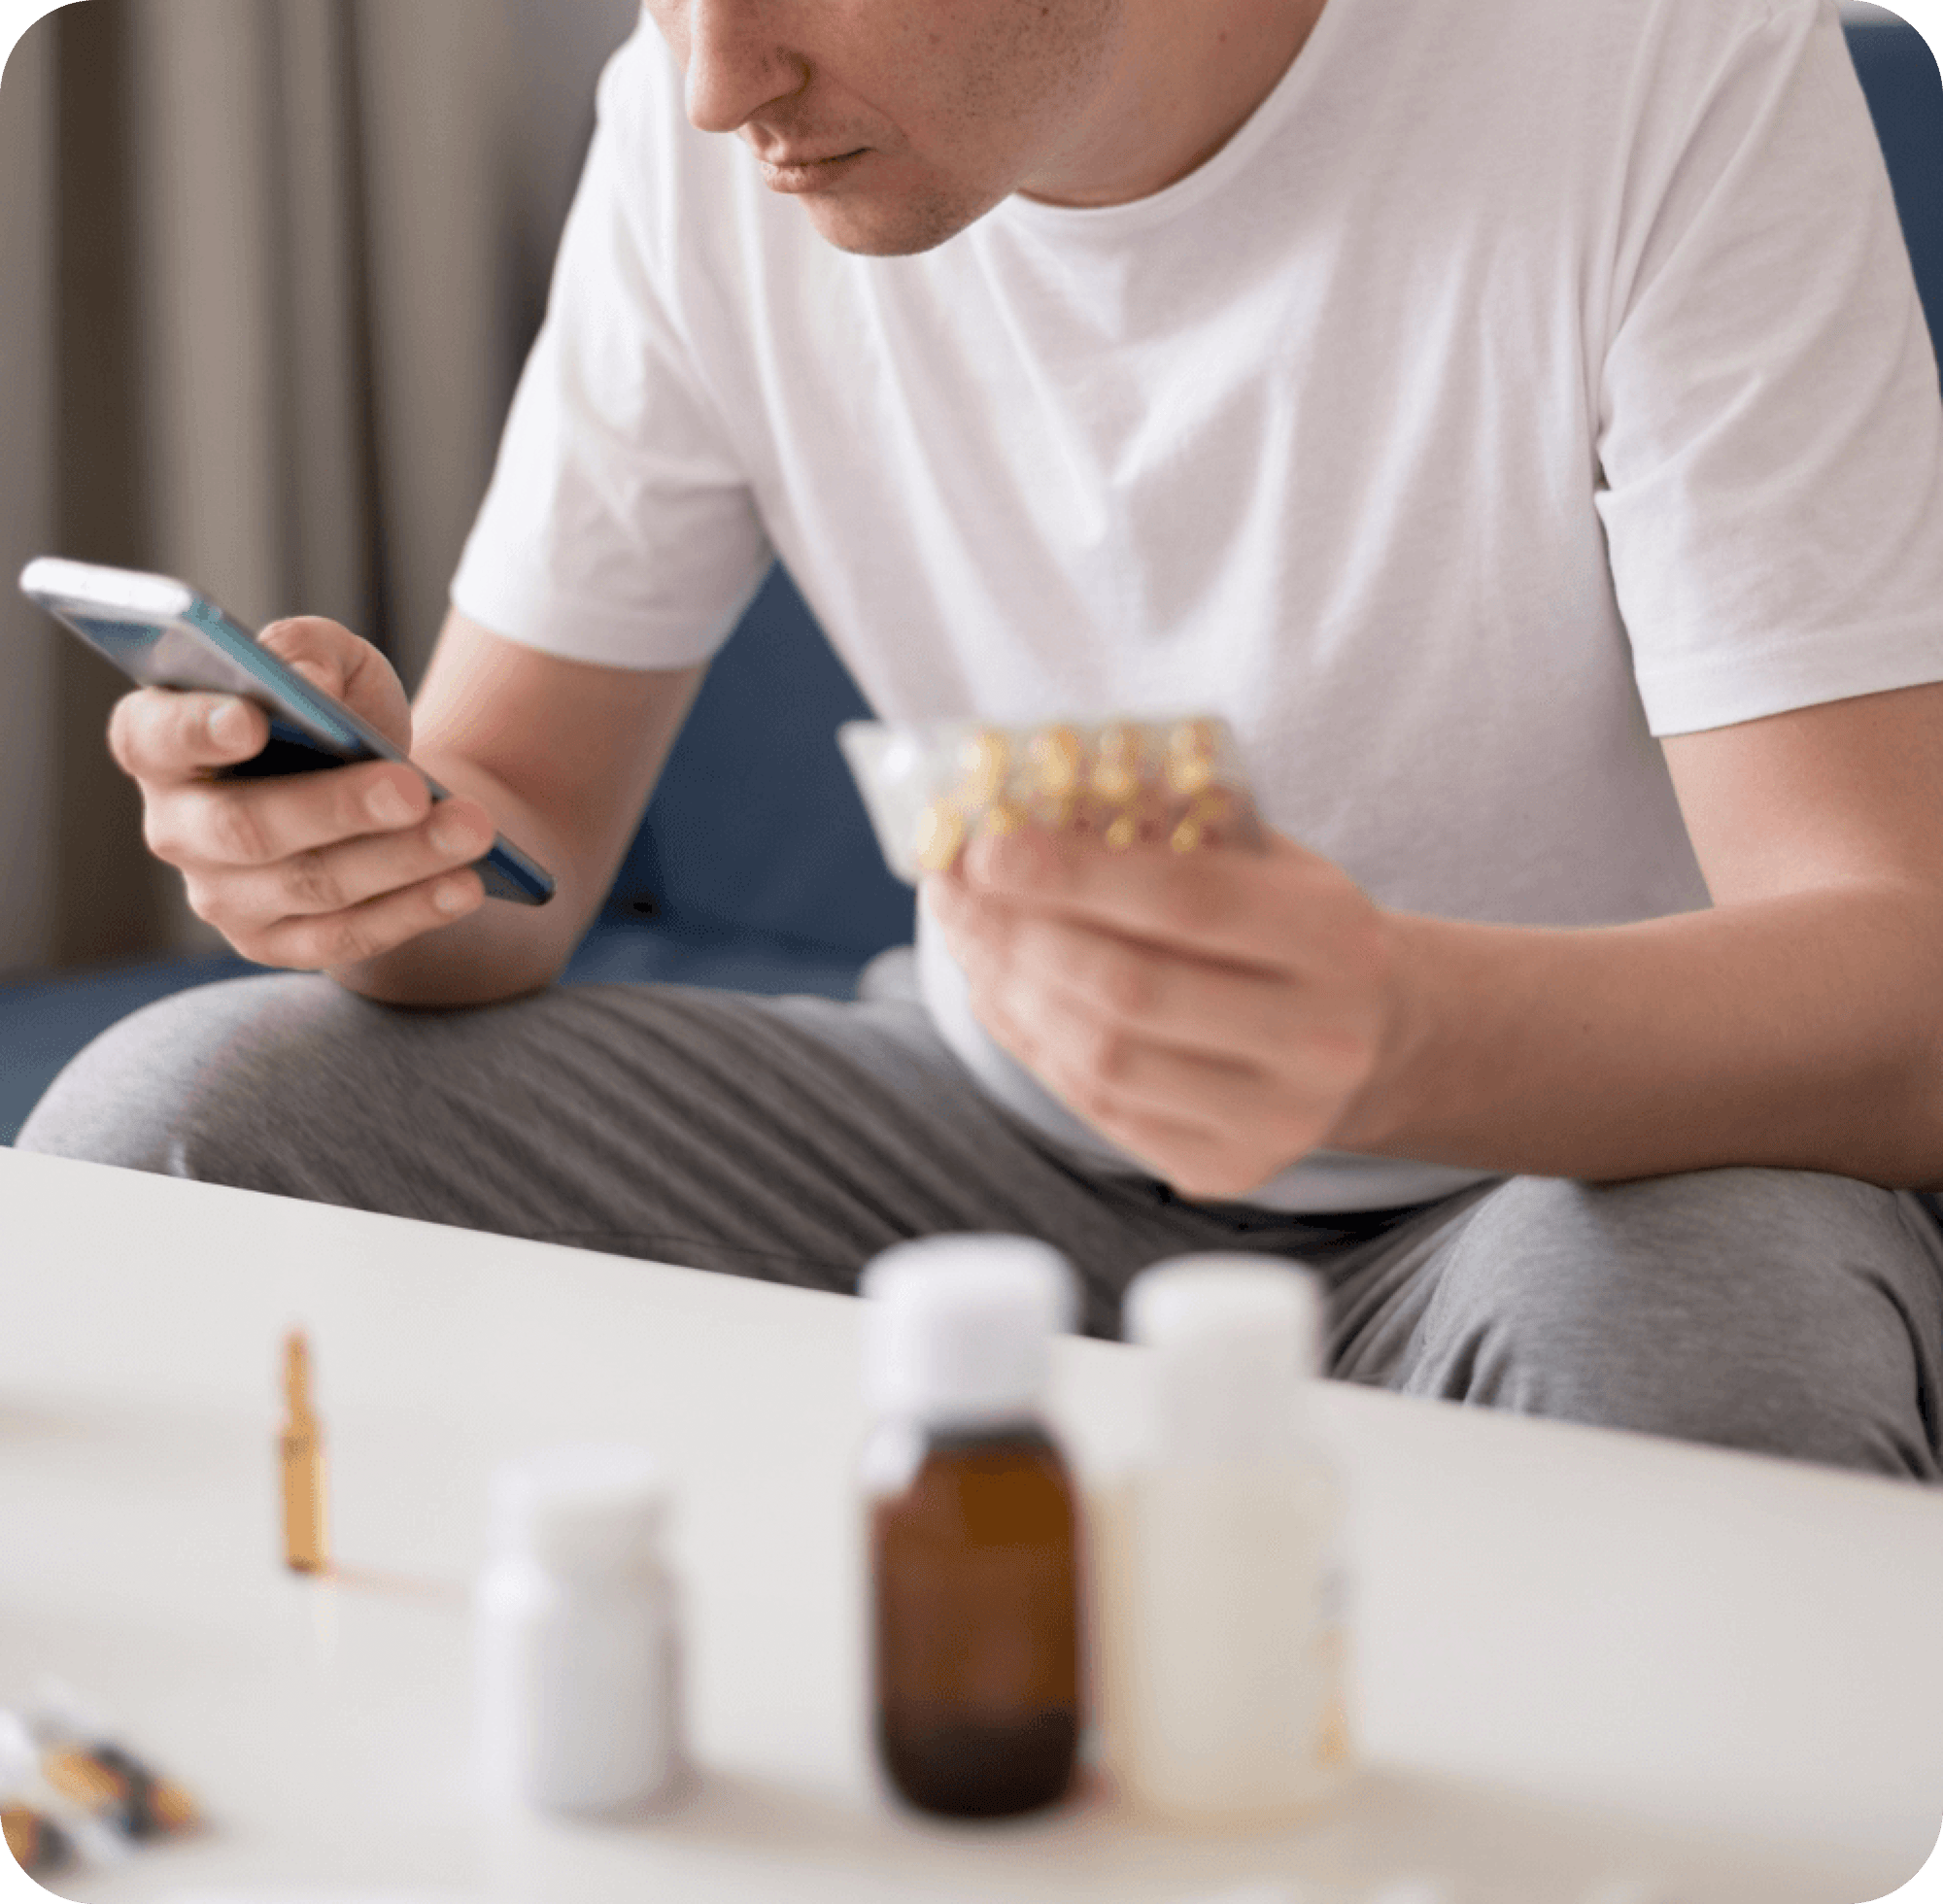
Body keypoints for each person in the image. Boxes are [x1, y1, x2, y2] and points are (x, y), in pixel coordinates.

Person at [22, 0, 1943, 1479]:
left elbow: (1901, 984)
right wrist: (366, 857)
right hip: (978, 1124)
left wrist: (1394, 1034)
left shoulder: (1658, 73)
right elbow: (515, 842)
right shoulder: (690, 147)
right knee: (181, 1117)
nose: (711, 83)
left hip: (1556, 1172)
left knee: (1720, 1337)